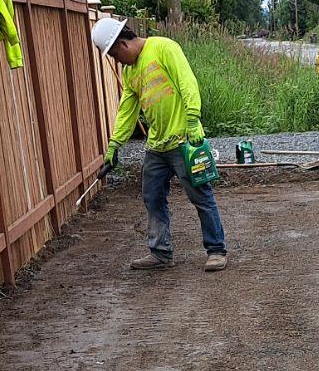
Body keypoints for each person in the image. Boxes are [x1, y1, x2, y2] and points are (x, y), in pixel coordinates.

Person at [91, 18, 227, 272]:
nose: (117, 61)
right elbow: (126, 111)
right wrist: (114, 145)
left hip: (183, 141)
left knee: (200, 196)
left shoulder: (164, 48)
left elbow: (187, 82)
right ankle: (160, 252)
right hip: (157, 146)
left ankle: (216, 250)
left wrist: (193, 119)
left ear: (123, 43)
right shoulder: (130, 72)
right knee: (152, 196)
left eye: (115, 55)